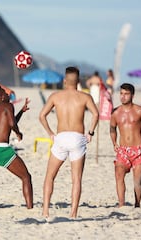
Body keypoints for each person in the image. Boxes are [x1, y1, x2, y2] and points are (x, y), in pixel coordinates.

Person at [39, 66, 99, 219]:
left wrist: (50, 133)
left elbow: (41, 116)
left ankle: (45, 211)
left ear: (65, 81)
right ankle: (73, 213)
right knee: (76, 179)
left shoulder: (55, 96)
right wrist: (90, 132)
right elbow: (96, 114)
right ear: (78, 81)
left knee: (50, 176)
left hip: (61, 137)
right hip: (78, 138)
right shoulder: (85, 97)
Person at [110, 83, 141, 208]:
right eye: (121, 94)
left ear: (132, 95)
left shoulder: (139, 111)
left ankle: (137, 204)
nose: (123, 97)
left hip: (138, 149)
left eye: (126, 94)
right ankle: (121, 204)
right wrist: (114, 143)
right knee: (119, 174)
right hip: (123, 149)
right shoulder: (116, 112)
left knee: (137, 181)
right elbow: (112, 128)